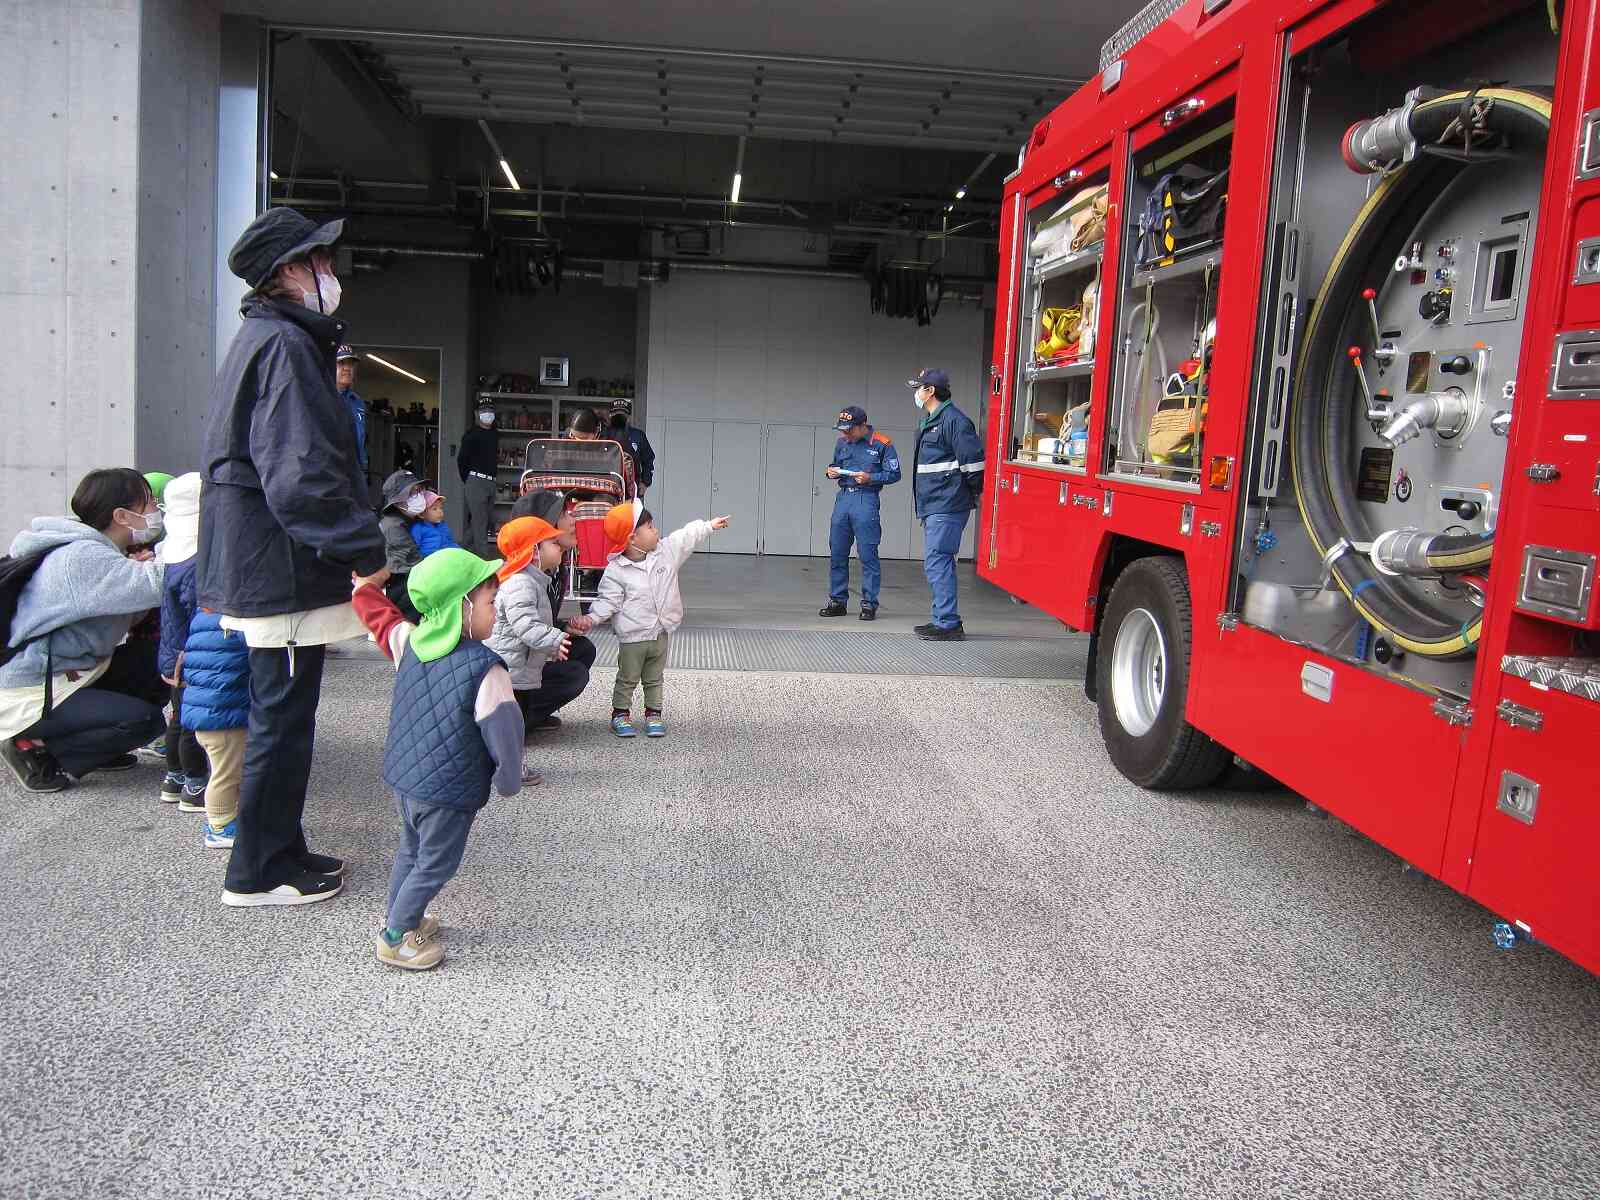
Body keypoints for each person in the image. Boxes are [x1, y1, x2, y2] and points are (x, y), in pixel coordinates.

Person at [198, 206, 387, 908]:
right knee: (280, 722)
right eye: (322, 262)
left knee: (286, 717)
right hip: (277, 568)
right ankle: (257, 872)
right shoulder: (282, 346)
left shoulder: (268, 337)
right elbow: (301, 477)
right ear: (288, 272)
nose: (332, 274)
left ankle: (281, 848)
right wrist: (366, 550)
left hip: (268, 562)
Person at [350, 549, 526, 971]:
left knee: (410, 853)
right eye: (489, 602)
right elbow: (505, 732)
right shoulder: (487, 670)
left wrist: (363, 590)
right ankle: (394, 938)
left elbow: (383, 621)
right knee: (435, 863)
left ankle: (403, 917)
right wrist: (509, 778)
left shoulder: (411, 641)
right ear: (460, 606)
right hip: (448, 789)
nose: (496, 612)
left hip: (405, 779)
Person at [0, 469, 169, 791]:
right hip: (35, 689)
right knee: (144, 720)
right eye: (149, 503)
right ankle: (39, 752)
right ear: (121, 515)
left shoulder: (95, 549)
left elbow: (122, 608)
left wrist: (135, 568)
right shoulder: (82, 556)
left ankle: (99, 745)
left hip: (71, 673)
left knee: (157, 659)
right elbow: (159, 584)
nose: (155, 512)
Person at [587, 501, 729, 739]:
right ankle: (620, 714)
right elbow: (607, 600)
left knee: (654, 677)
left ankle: (654, 713)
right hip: (632, 637)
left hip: (661, 632)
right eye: (650, 527)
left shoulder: (666, 552)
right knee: (627, 677)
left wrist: (708, 526)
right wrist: (591, 618)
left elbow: (686, 537)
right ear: (633, 538)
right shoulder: (616, 569)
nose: (656, 530)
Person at [488, 516, 596, 737]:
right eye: (554, 544)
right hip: (512, 671)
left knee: (581, 650)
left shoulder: (534, 579)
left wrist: (562, 630)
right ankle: (514, 733)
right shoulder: (520, 583)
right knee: (512, 721)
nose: (560, 547)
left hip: (523, 664)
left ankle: (526, 722)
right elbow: (526, 626)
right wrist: (555, 640)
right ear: (534, 551)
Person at [908, 367, 985, 641]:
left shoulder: (954, 421)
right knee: (938, 561)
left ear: (930, 391)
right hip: (935, 505)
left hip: (947, 504)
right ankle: (942, 618)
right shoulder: (932, 420)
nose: (916, 393)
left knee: (937, 561)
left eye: (919, 387)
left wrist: (970, 494)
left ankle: (948, 623)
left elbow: (974, 465)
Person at [155, 472, 211, 810]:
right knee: (193, 722)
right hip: (193, 654)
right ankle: (194, 784)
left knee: (178, 717)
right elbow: (198, 608)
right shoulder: (195, 560)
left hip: (172, 653)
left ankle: (173, 778)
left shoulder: (172, 549)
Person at [818, 404, 901, 622]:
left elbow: (894, 474)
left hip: (866, 499)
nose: (845, 433)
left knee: (867, 554)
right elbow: (834, 465)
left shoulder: (882, 444)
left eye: (849, 429)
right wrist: (831, 472)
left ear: (863, 425)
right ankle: (837, 601)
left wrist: (871, 478)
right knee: (837, 552)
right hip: (844, 498)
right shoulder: (842, 442)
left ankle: (869, 604)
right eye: (842, 429)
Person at [178, 603, 251, 849]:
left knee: (224, 770)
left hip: (207, 710)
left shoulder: (205, 612)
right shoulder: (235, 619)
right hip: (224, 713)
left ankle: (225, 819)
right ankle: (219, 825)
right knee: (226, 775)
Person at [377, 469, 428, 622]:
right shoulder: (393, 526)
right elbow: (414, 561)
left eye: (419, 491)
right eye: (412, 493)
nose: (418, 496)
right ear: (398, 500)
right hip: (401, 585)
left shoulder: (409, 520)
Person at [457, 405, 499, 558]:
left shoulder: (494, 434)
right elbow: (462, 460)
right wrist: (469, 480)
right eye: (483, 411)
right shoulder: (471, 435)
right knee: (480, 524)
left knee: (483, 520)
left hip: (490, 482)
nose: (488, 414)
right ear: (477, 414)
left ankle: (458, 551)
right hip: (476, 480)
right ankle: (484, 560)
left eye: (490, 411)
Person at [606, 399, 655, 494]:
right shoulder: (602, 434)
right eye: (616, 414)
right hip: (606, 486)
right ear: (610, 415)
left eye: (622, 414)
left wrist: (645, 482)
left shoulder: (638, 435)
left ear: (628, 416)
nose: (619, 417)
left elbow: (648, 459)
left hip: (631, 488)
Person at [335, 345, 369, 481]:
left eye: (350, 364)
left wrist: (363, 468)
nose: (347, 368)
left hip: (354, 473)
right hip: (329, 473)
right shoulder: (319, 398)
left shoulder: (357, 402)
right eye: (341, 363)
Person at [408, 491, 461, 557]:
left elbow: (450, 542)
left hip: (447, 557)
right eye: (434, 509)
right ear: (422, 514)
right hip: (429, 560)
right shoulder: (418, 528)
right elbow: (413, 548)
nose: (440, 511)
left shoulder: (443, 526)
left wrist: (458, 551)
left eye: (441, 508)